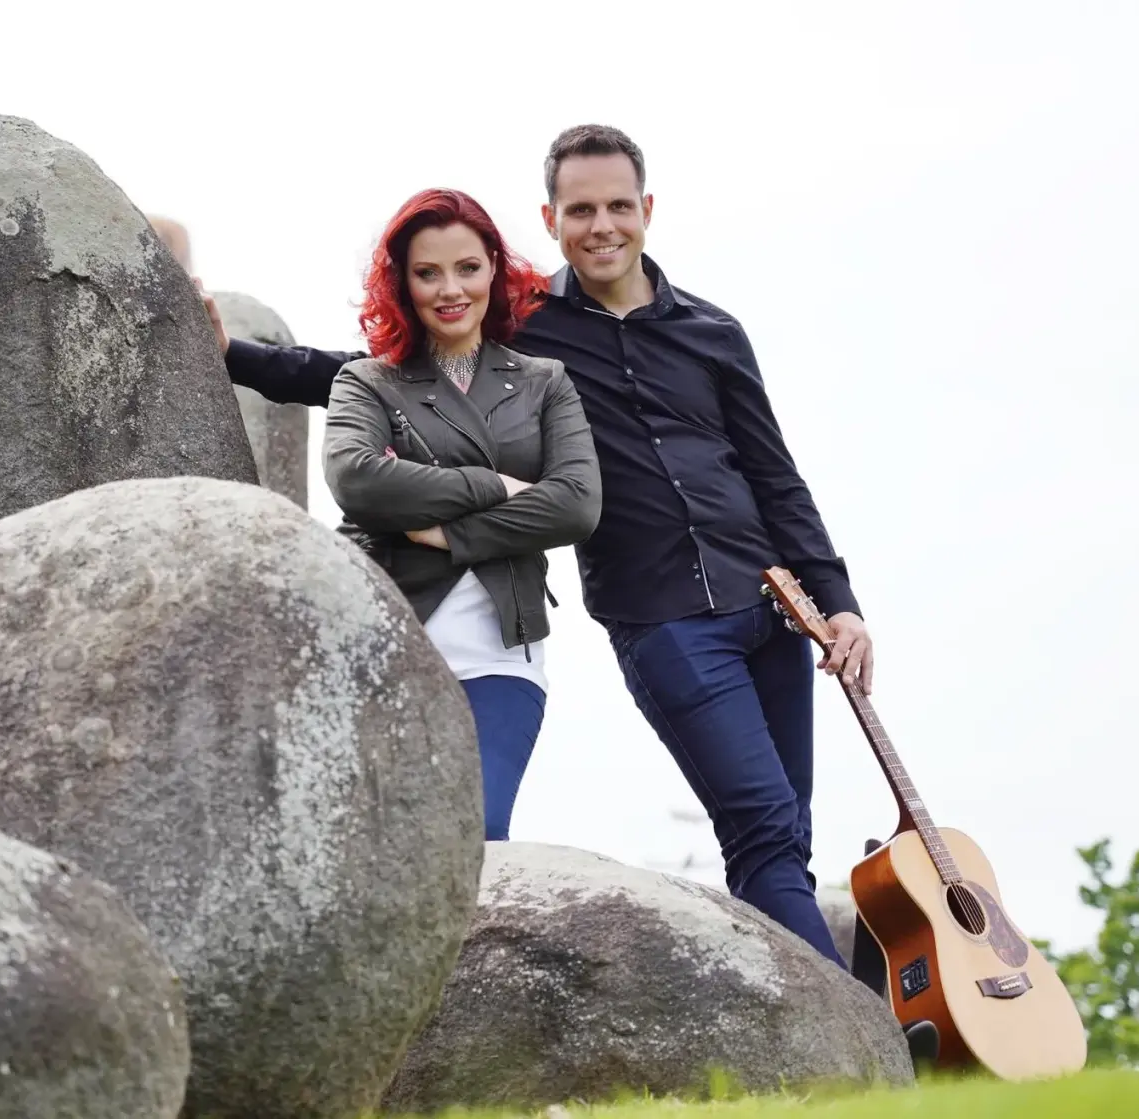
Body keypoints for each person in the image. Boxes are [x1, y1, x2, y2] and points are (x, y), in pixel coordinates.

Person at [195, 126, 871, 970]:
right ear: (550, 220)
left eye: (618, 206)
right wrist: (237, 358)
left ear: (647, 209)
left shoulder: (714, 333)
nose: (601, 226)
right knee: (763, 824)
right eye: (580, 211)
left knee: (784, 836)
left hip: (770, 603)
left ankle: (812, 1023)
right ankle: (861, 1036)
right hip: (662, 615)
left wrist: (838, 602)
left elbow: (774, 476)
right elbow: (380, 372)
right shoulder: (526, 327)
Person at [297, 187, 600, 843]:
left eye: (467, 267)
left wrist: (449, 531)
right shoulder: (367, 381)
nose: (450, 289)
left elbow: (576, 504)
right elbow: (357, 480)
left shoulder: (545, 381)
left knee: (474, 831)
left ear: (494, 268)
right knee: (382, 843)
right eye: (427, 272)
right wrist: (495, 483)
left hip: (501, 650)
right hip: (385, 637)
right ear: (402, 284)